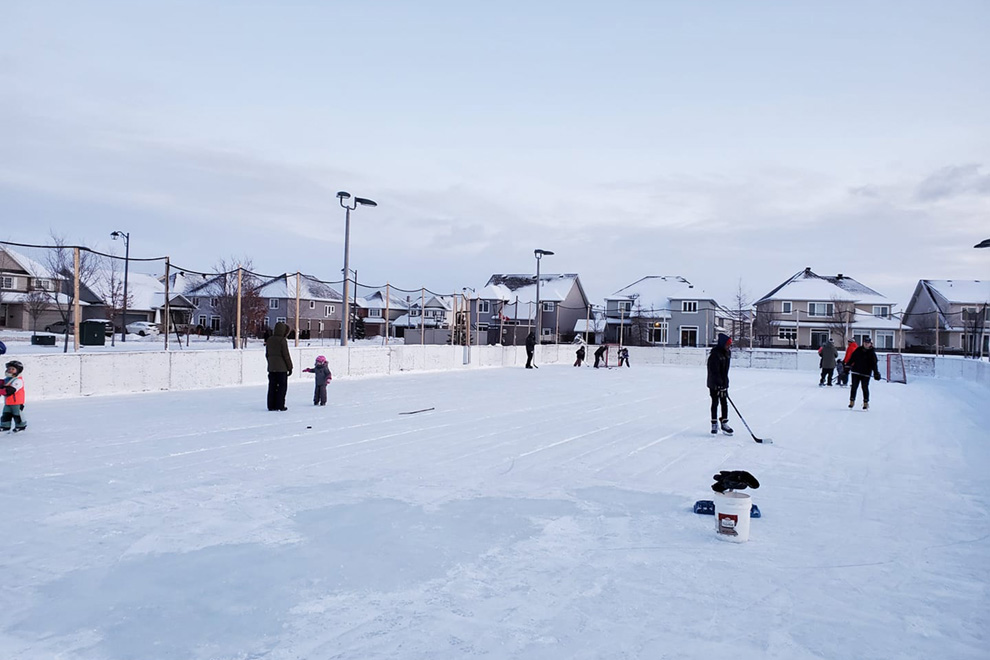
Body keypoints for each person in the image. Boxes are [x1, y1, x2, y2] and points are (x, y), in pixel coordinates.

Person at [706, 333, 733, 435]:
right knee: (715, 402)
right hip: (714, 383)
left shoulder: (727, 353)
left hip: (723, 382)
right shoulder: (715, 355)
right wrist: (718, 384)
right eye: (727, 345)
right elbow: (714, 371)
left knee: (724, 402)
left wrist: (725, 383)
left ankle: (724, 423)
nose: (729, 347)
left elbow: (725, 371)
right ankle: (714, 424)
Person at [846, 336, 881, 410]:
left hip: (866, 373)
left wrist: (876, 373)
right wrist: (847, 367)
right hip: (856, 372)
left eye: (868, 343)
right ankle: (852, 401)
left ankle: (865, 402)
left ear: (870, 344)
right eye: (865, 342)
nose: (866, 344)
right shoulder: (858, 350)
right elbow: (852, 359)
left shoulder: (872, 353)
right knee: (854, 387)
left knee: (864, 387)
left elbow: (874, 364)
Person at [265, 321, 293, 411]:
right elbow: (286, 355)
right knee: (282, 387)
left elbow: (267, 354)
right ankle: (280, 405)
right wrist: (290, 367)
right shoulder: (282, 340)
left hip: (271, 368)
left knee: (272, 387)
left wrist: (271, 364)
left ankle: (271, 405)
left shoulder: (269, 340)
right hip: (282, 369)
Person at [2, 360, 26, 433]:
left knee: (17, 414)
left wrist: (1, 390)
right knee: (6, 414)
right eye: (9, 369)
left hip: (17, 402)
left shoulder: (18, 381)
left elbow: (10, 390)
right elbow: (2, 384)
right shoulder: (7, 379)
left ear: (18, 371)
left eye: (13, 369)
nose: (10, 371)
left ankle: (20, 426)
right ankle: (5, 426)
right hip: (8, 402)